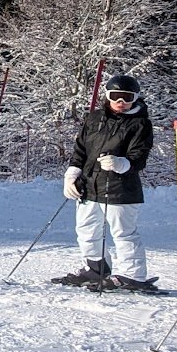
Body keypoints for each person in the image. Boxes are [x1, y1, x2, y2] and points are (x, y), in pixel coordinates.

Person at [60, 73, 157, 290]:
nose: (121, 102)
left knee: (123, 232)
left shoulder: (140, 124)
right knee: (86, 229)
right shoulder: (95, 118)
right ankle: (95, 269)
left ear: (136, 98)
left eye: (127, 97)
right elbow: (81, 148)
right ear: (108, 95)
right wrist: (72, 174)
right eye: (116, 96)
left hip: (120, 188)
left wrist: (121, 163)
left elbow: (139, 157)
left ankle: (132, 275)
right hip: (89, 184)